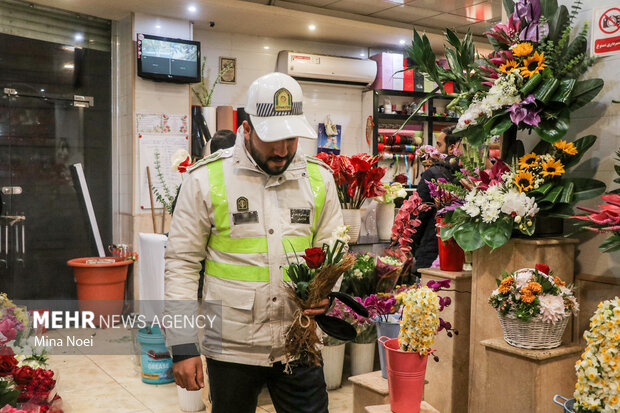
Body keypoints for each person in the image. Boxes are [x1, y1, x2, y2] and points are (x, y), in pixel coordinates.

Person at [164, 72, 344, 413]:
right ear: (246, 129)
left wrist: (328, 292)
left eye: (290, 138)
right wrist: (183, 346)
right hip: (231, 348)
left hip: (298, 342)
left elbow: (335, 249)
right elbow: (181, 264)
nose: (282, 150)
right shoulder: (206, 179)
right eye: (271, 138)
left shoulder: (319, 179)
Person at [409, 126, 462, 280]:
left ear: (452, 148)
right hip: (460, 257)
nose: (435, 149)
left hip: (431, 254)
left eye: (439, 145)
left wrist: (412, 249)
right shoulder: (471, 175)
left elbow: (418, 217)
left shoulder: (432, 174)